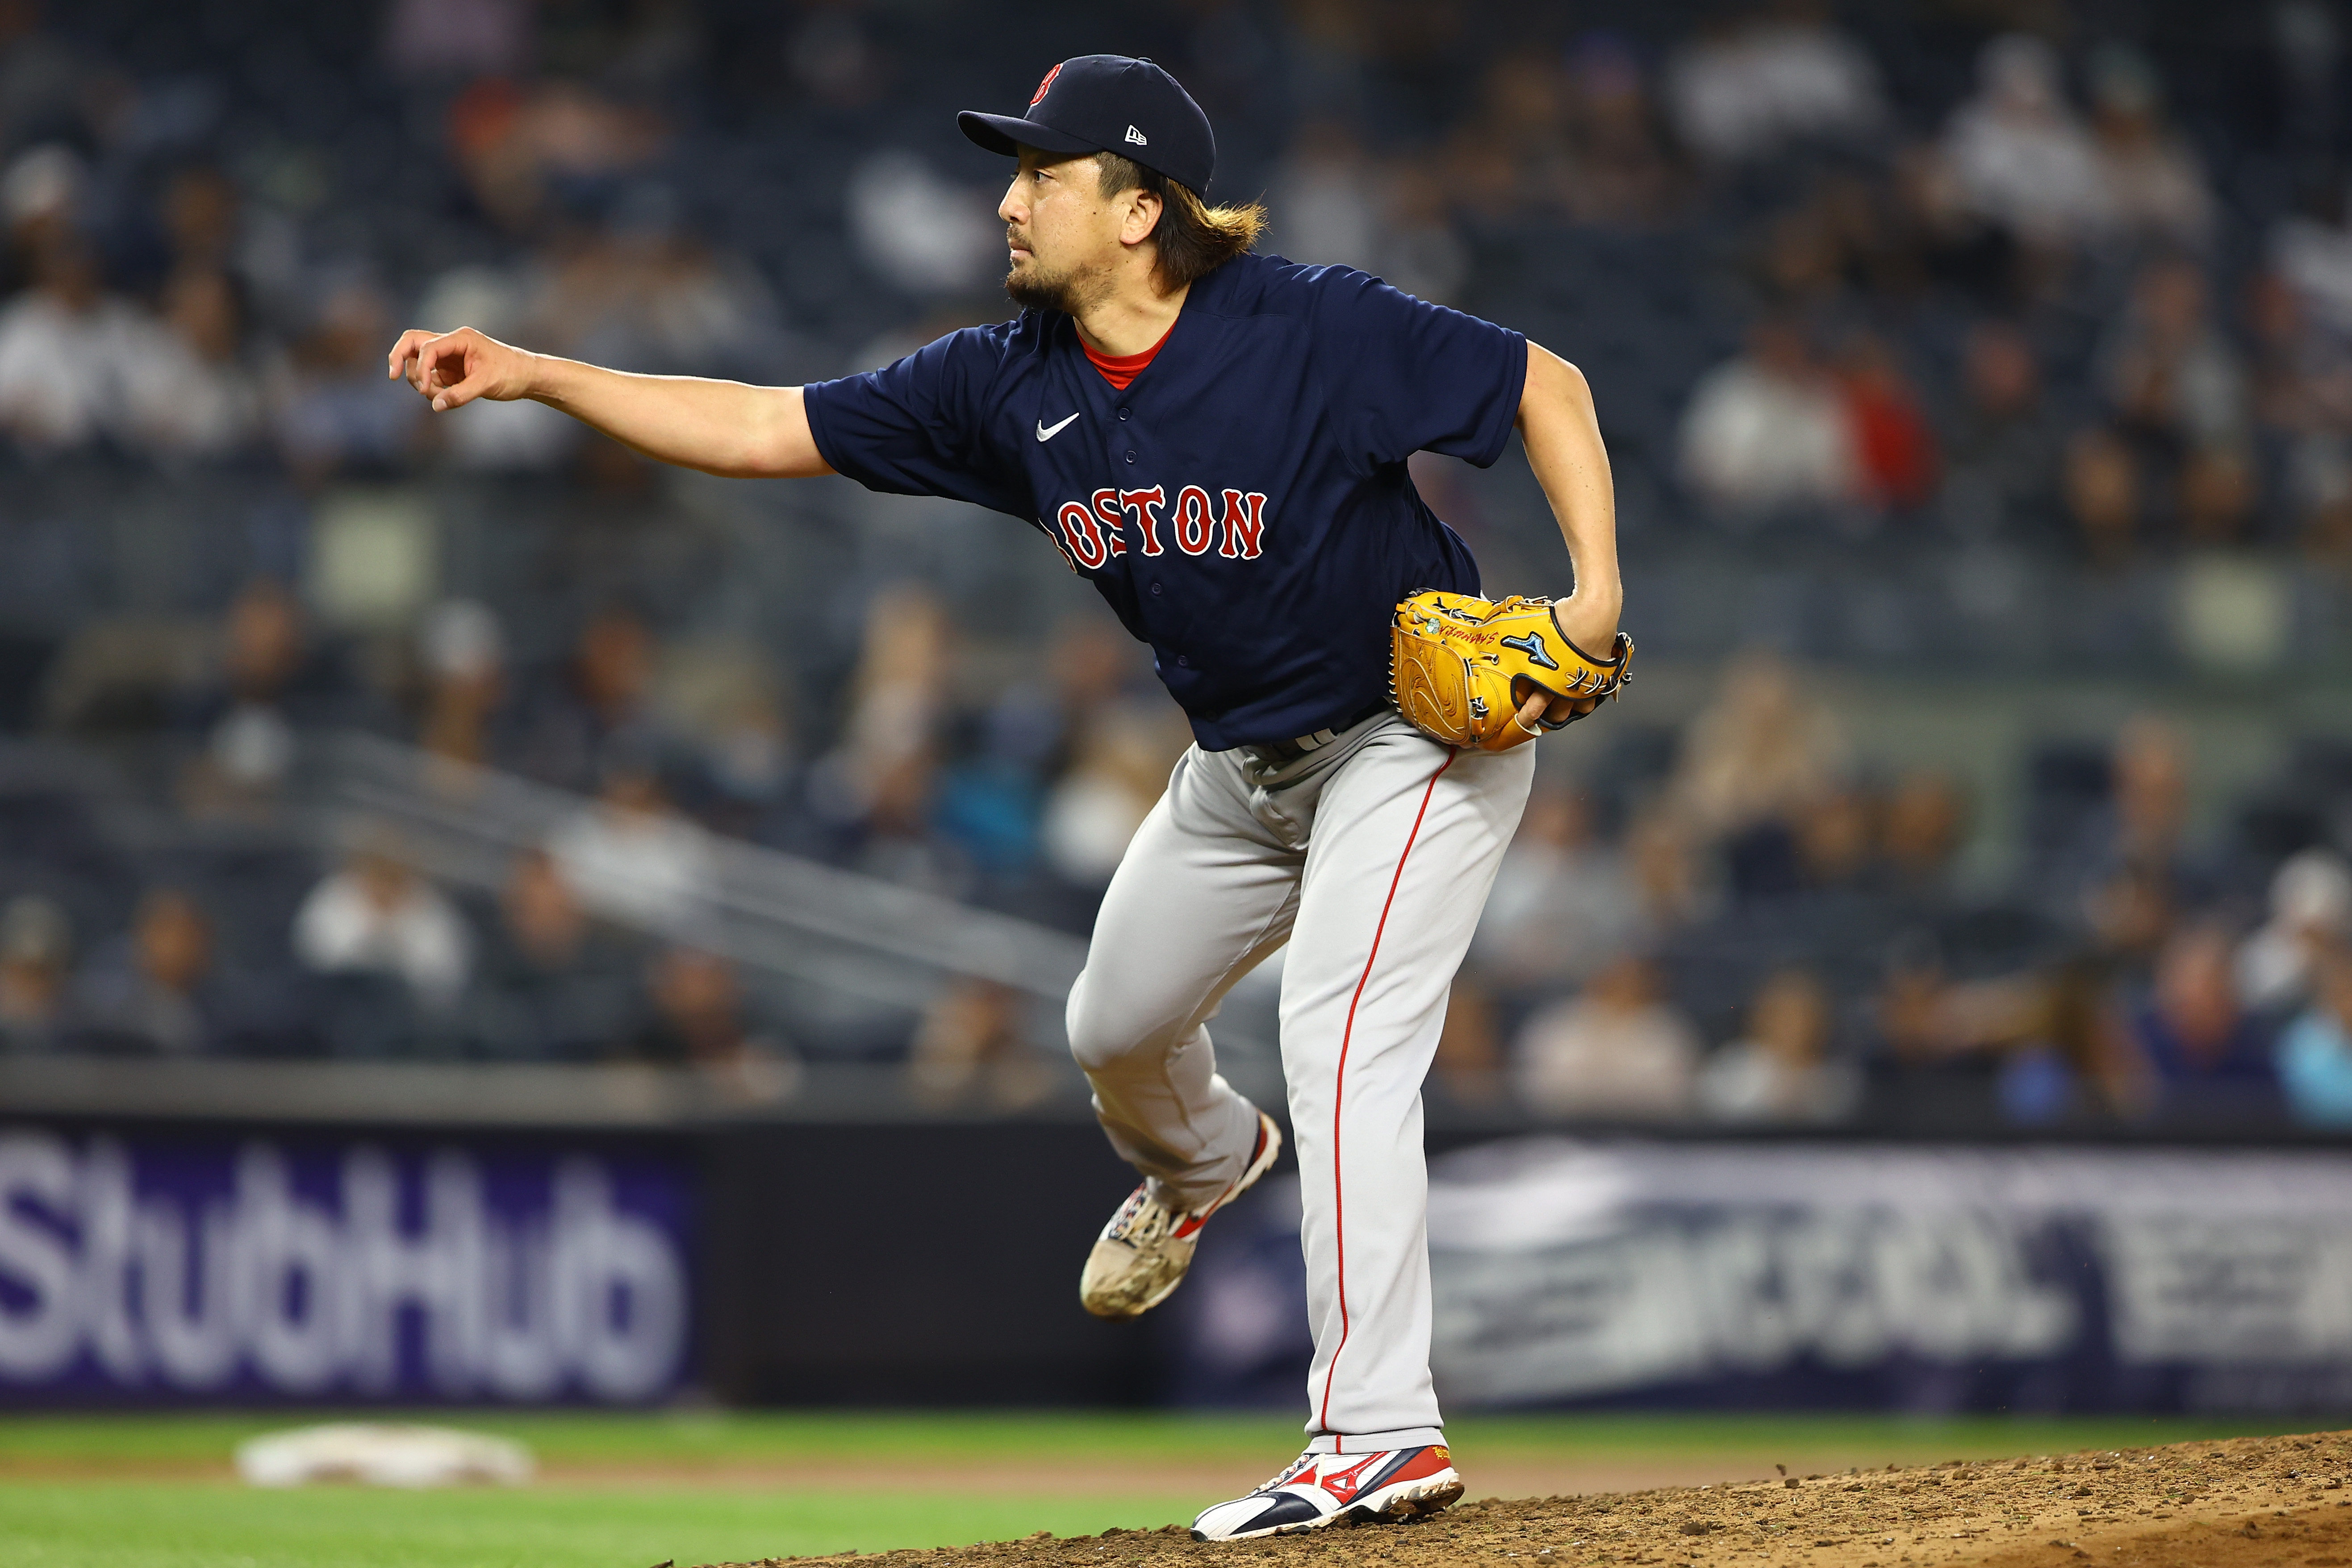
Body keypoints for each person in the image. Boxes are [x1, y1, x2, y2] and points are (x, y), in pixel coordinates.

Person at [386, 54, 1622, 1539]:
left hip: (1409, 738)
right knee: (1110, 1029)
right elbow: (766, 425)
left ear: (1139, 208)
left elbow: (1541, 383)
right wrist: (540, 372)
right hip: (1238, 768)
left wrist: (1595, 597)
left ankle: (1375, 1433)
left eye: (1042, 173)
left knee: (1341, 1030)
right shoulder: (1006, 382)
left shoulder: (1303, 324)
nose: (1007, 199)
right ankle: (1209, 1159)